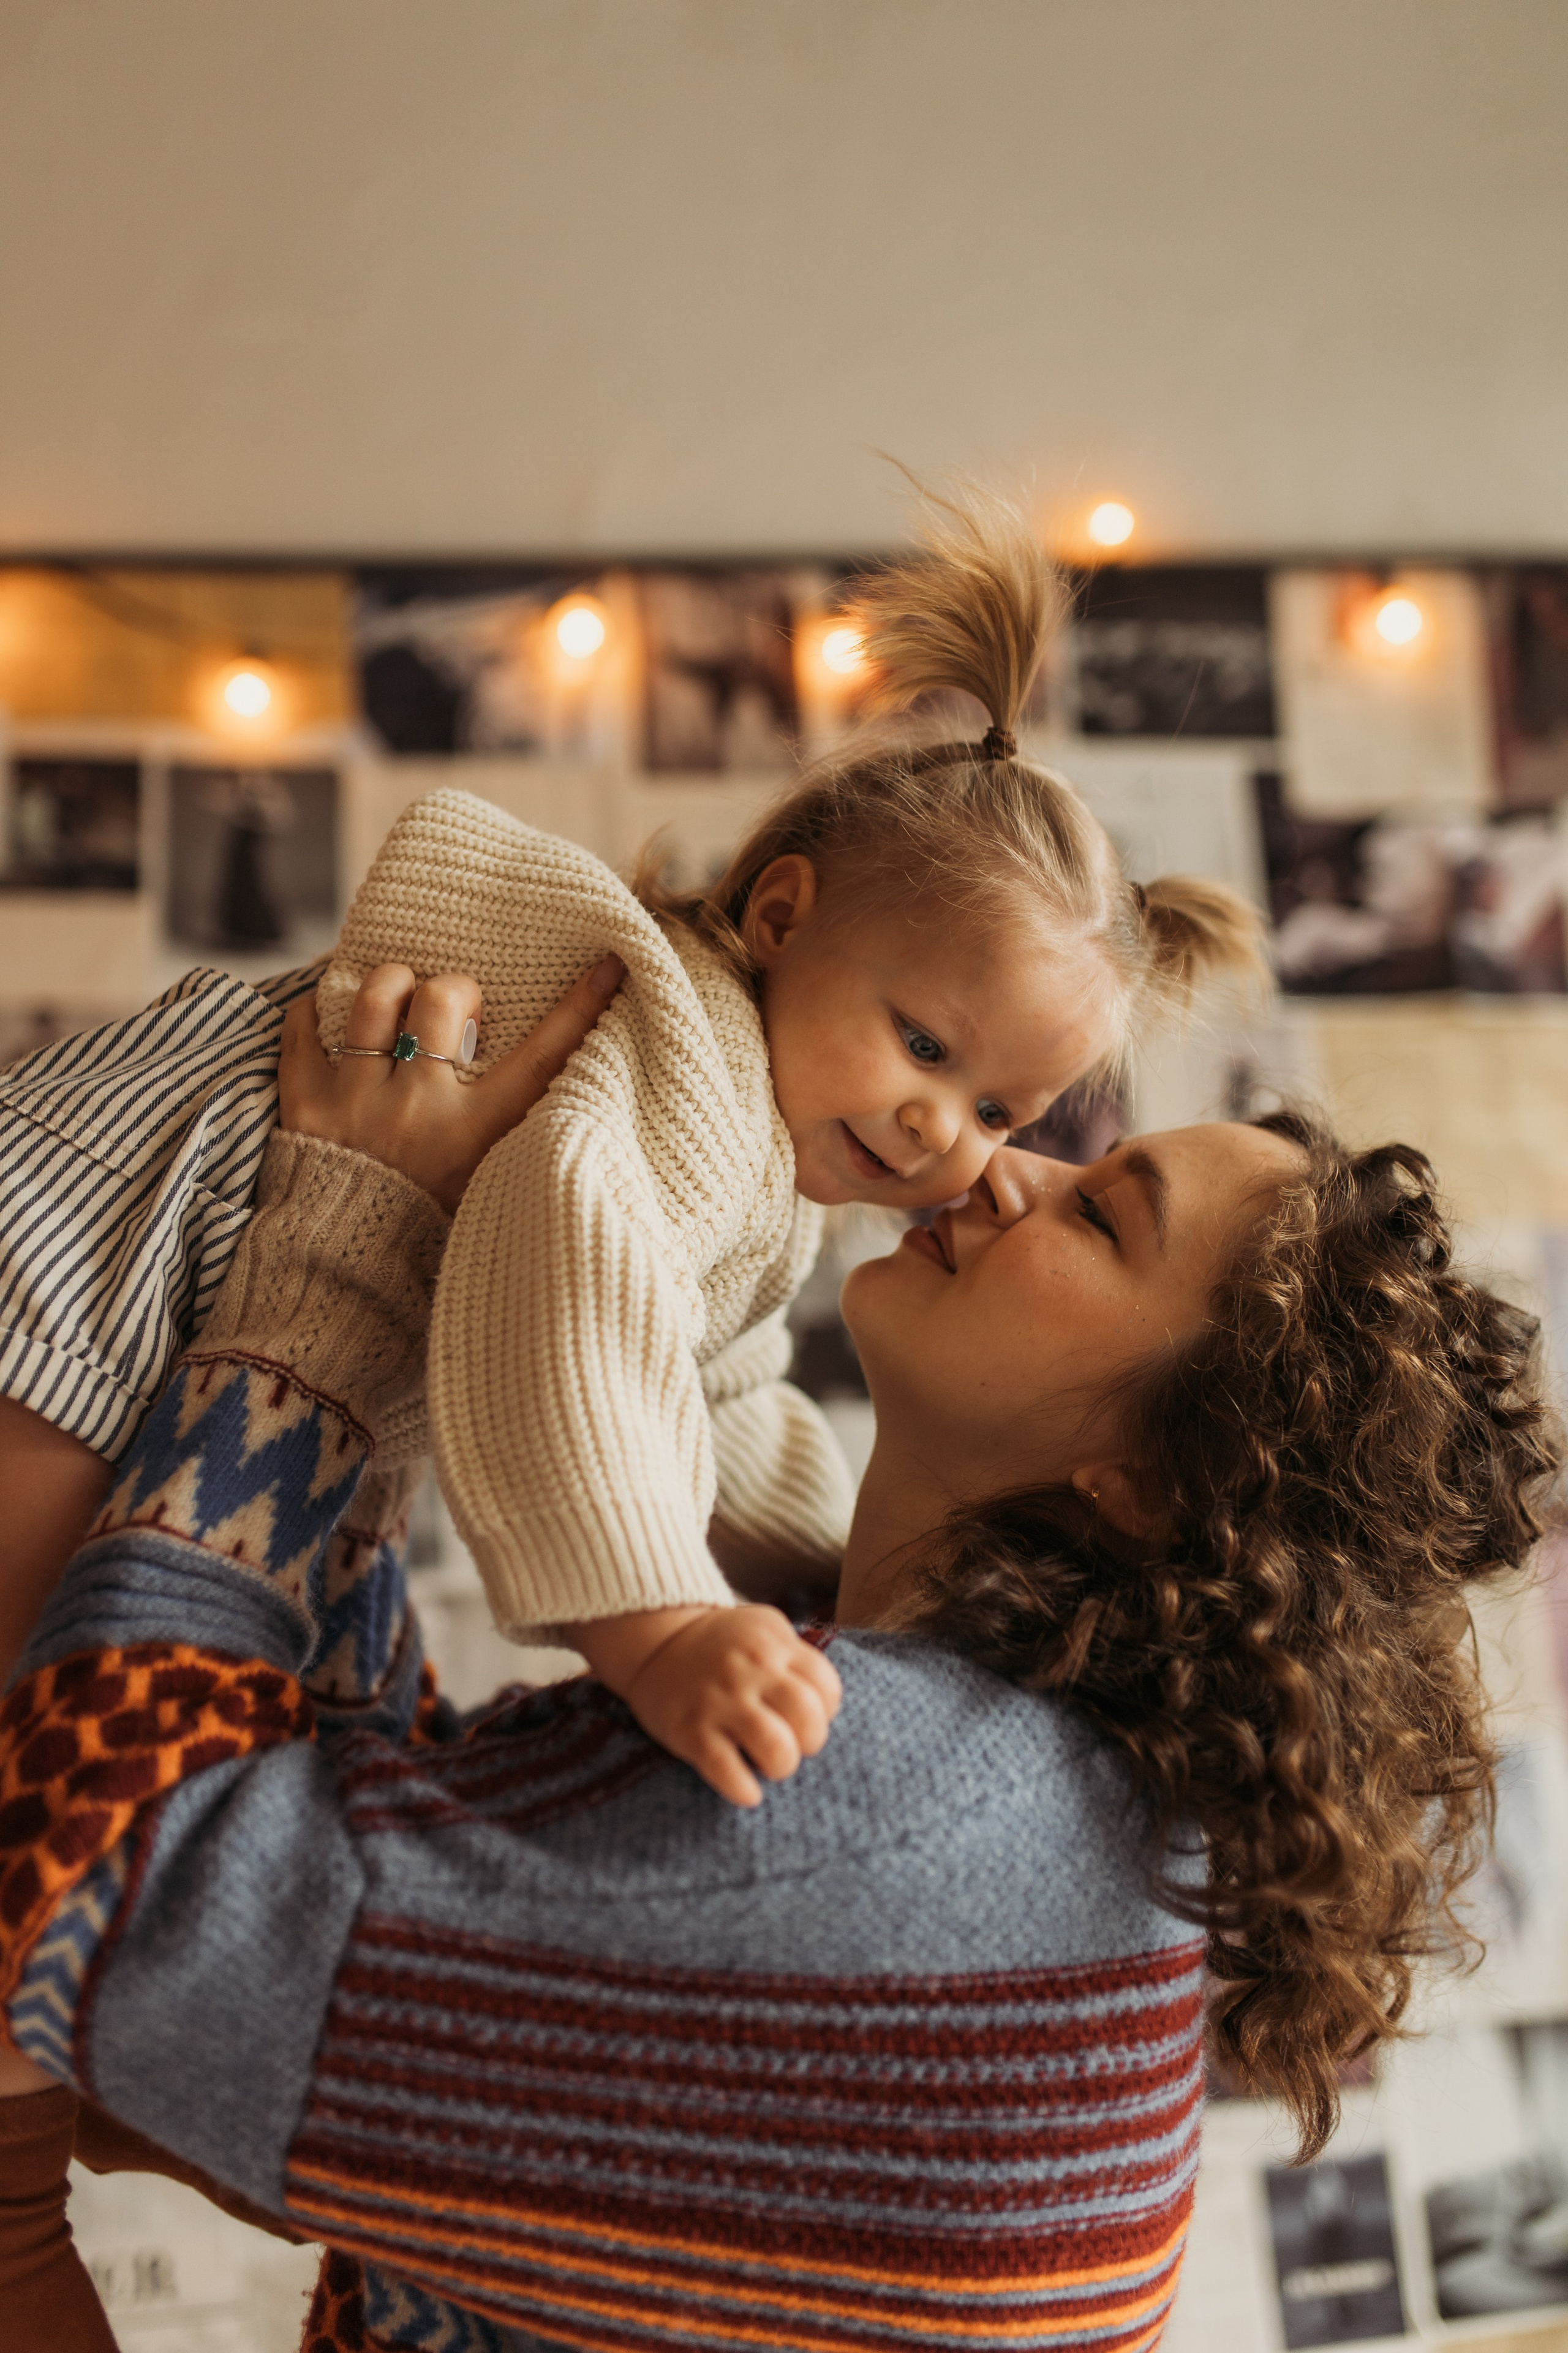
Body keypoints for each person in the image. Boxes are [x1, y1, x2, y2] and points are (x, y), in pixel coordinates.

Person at [0, 962, 1553, 2353]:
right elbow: (390, 1860)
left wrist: (337, 1250)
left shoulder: (869, 1810)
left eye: (1098, 1214)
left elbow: (82, 1880)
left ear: (1149, 1483)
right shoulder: (1067, 1816)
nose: (1002, 1167)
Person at [0, 486, 1261, 1810]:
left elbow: (716, 1395)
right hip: (90, 1229)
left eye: (999, 1111)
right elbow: (574, 1297)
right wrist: (657, 1624)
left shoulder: (763, 1172)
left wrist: (826, 1577)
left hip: (160, 1274)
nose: (940, 1131)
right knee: (38, 1698)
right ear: (781, 917)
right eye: (925, 1045)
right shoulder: (693, 1071)